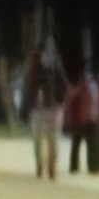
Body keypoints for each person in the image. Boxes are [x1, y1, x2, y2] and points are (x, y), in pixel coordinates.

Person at [20, 49, 68, 181]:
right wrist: (60, 102)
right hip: (50, 109)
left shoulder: (32, 72)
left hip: (41, 109)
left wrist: (24, 111)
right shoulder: (53, 69)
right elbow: (65, 87)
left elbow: (26, 93)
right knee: (51, 139)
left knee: (40, 139)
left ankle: (42, 164)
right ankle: (49, 165)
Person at [65, 67, 99, 175]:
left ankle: (82, 167)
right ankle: (88, 167)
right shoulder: (92, 88)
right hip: (85, 121)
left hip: (86, 121)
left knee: (85, 145)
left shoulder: (87, 88)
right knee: (84, 145)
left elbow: (71, 98)